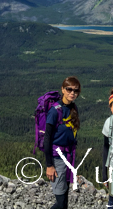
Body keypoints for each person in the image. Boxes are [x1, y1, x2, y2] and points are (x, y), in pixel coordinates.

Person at [44, 76, 81, 209]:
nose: (72, 93)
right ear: (63, 90)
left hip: (69, 157)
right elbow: (47, 138)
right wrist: (49, 165)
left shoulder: (73, 108)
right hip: (57, 159)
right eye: (69, 89)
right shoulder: (55, 111)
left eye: (76, 91)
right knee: (60, 202)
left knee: (64, 200)